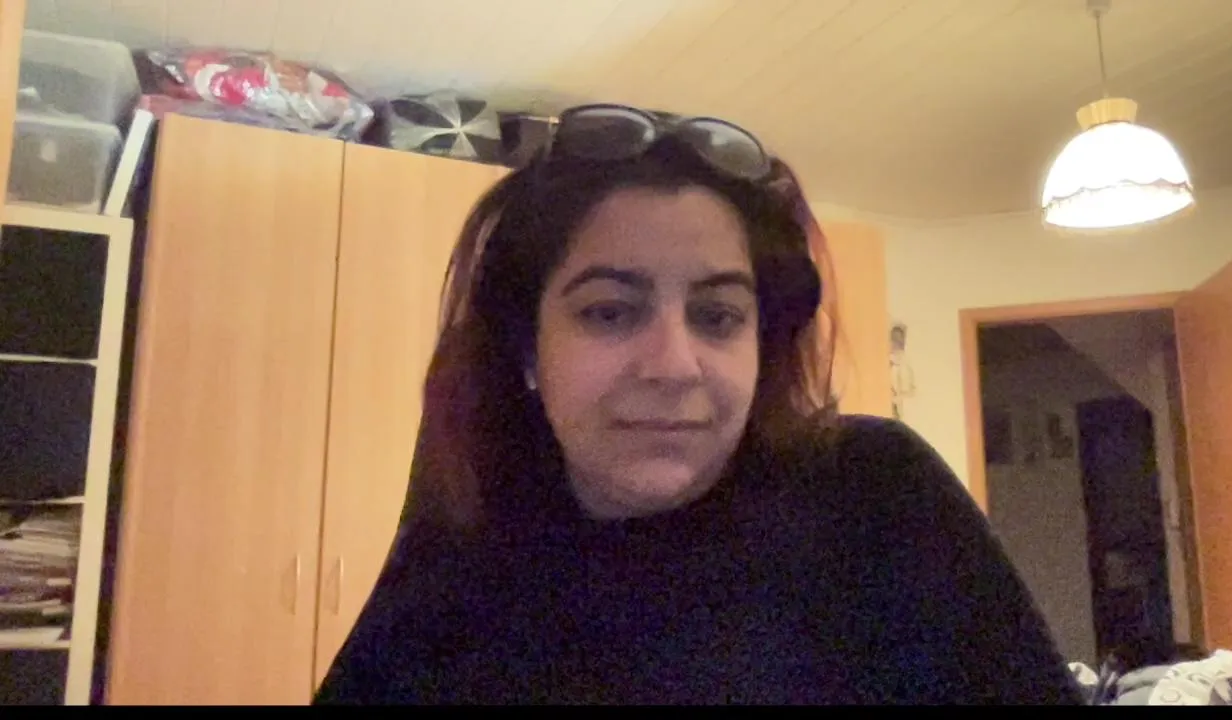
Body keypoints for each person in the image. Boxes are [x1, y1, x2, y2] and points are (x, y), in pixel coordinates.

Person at [313, 104, 1082, 705]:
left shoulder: (873, 496)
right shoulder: (467, 535)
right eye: (610, 312)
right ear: (525, 348)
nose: (674, 365)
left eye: (717, 317)